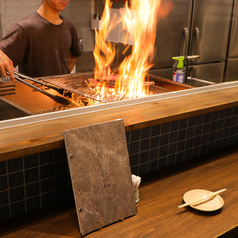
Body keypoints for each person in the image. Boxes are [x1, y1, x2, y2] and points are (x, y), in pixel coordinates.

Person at [0, 0, 82, 81]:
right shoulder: (26, 28)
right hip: (34, 93)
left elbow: (74, 55)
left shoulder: (70, 26)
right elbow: (2, 54)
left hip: (62, 92)